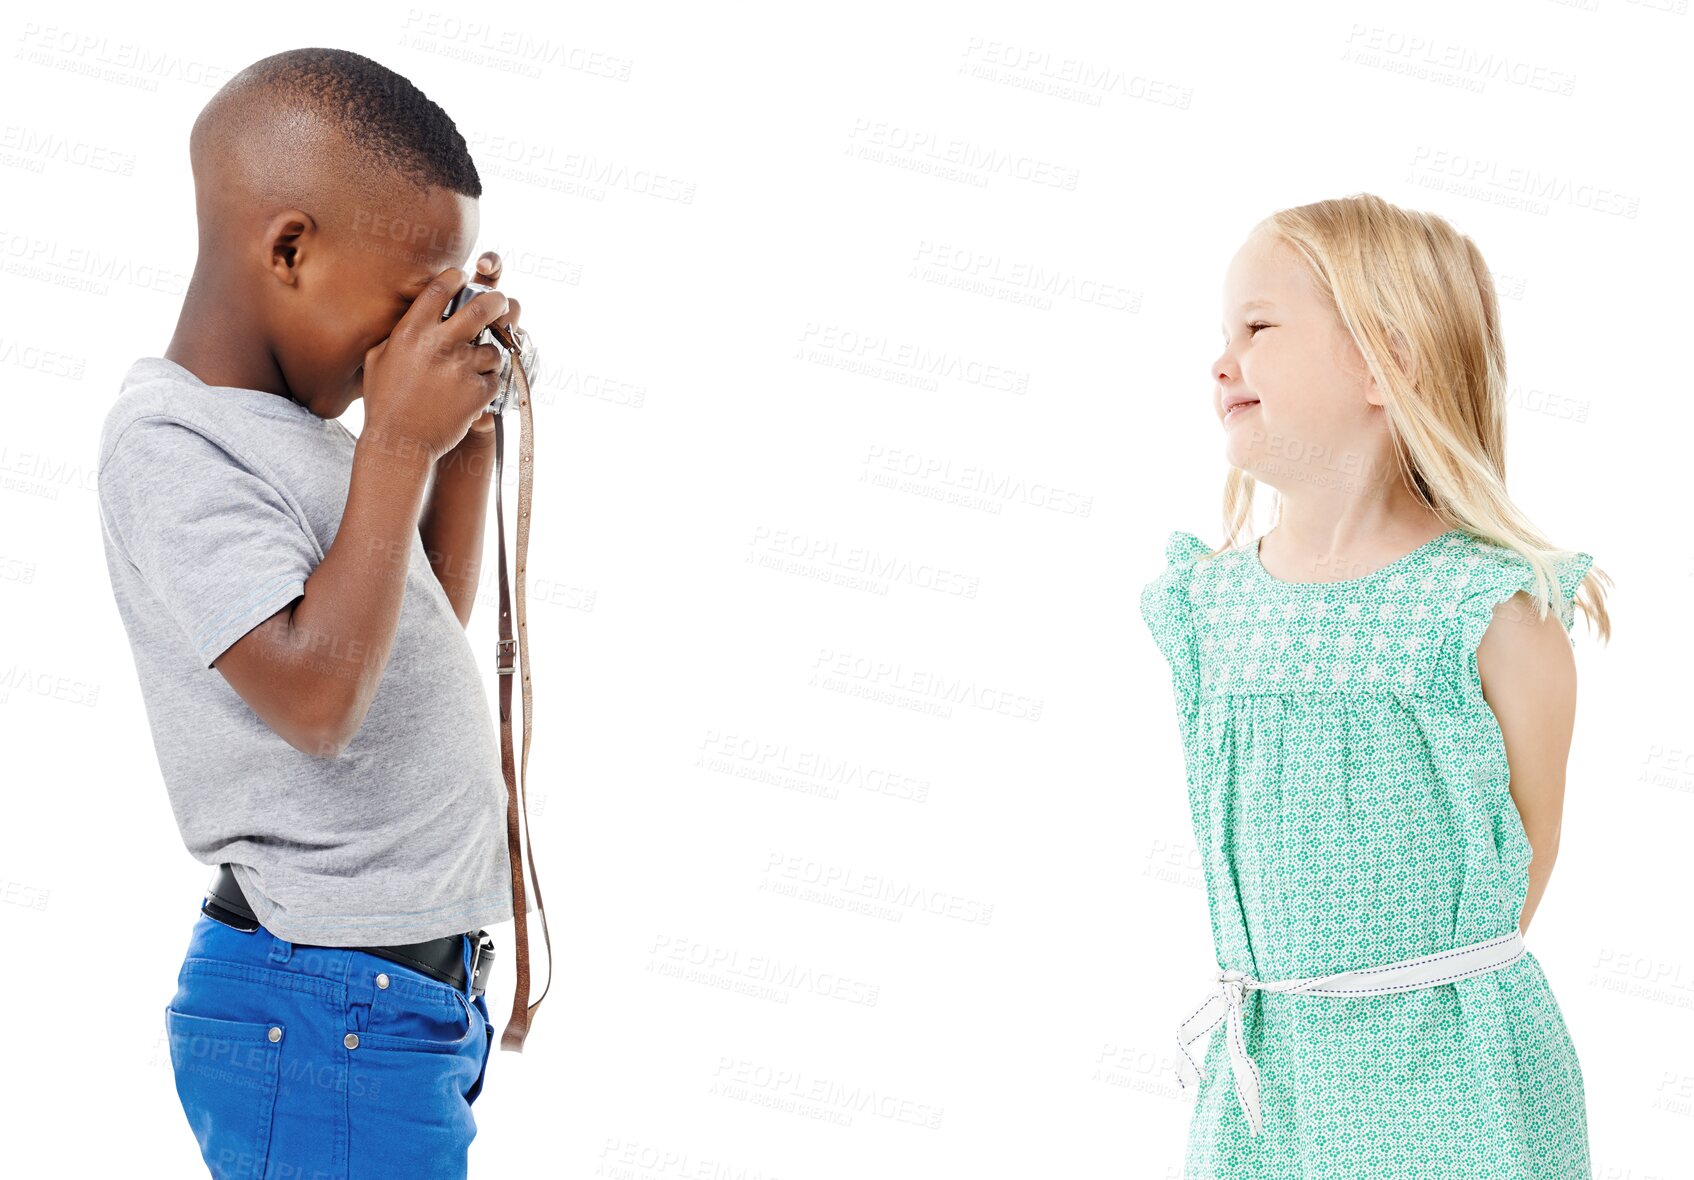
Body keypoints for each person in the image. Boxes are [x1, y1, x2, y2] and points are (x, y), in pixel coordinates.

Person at [94, 47, 535, 1179]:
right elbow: (318, 697)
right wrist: (394, 441)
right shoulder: (173, 442)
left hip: (388, 1006)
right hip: (320, 1004)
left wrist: (458, 453)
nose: (405, 347)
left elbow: (397, 633)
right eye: (402, 305)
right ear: (288, 248)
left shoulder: (317, 440)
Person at [1139, 193, 1612, 1178]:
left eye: (1258, 326)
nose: (1220, 360)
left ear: (1382, 361)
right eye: (1221, 332)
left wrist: (1381, 1010)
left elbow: (1521, 856)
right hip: (1266, 1078)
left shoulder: (1484, 608)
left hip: (1450, 1082)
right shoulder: (1208, 604)